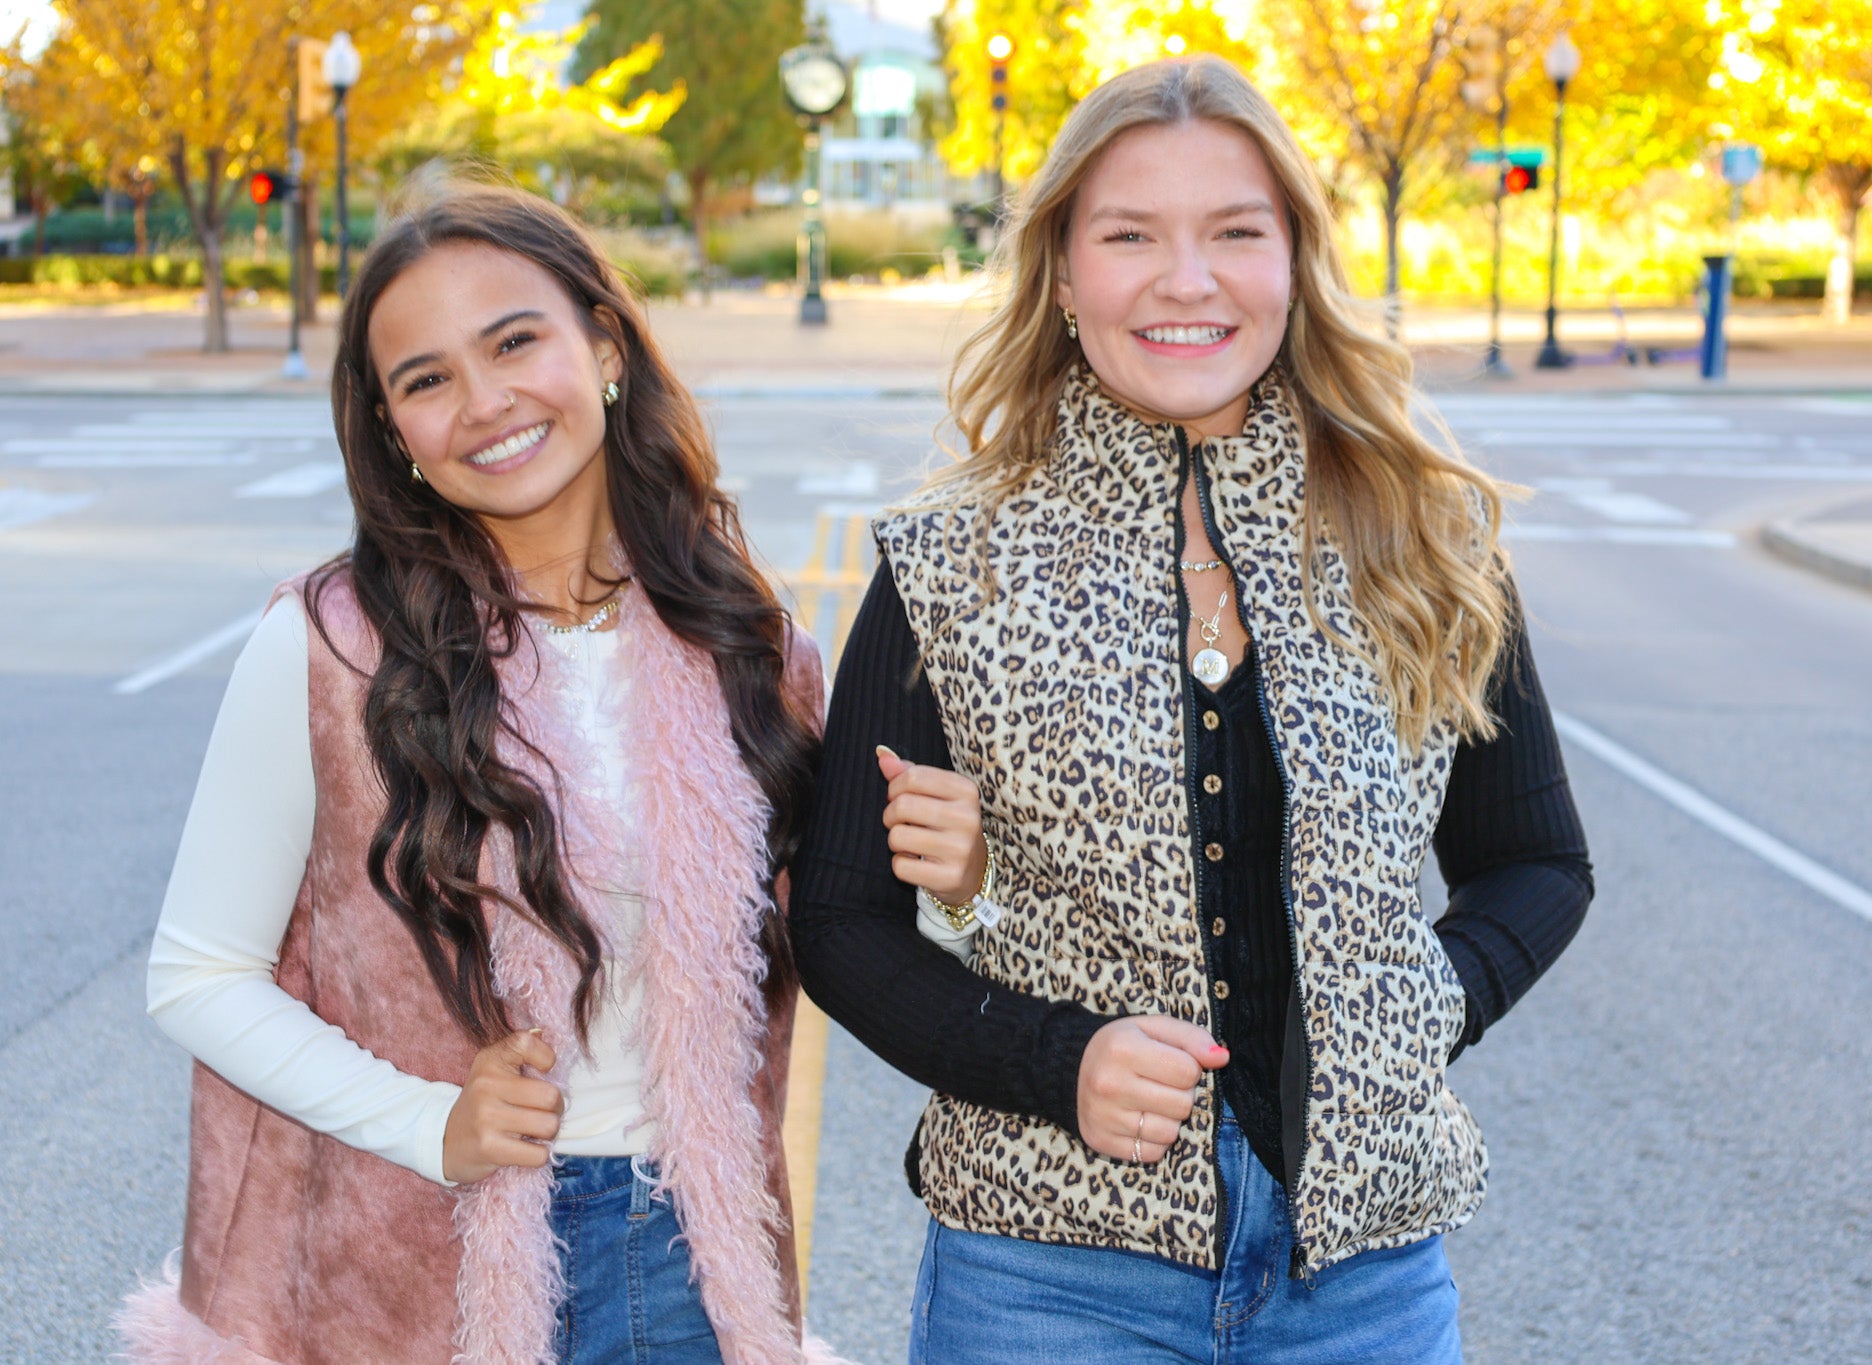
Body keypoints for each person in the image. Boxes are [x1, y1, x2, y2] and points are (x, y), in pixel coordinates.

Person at [790, 56, 1593, 1364]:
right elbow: (838, 923)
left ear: (1294, 261)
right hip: (1046, 1277)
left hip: (1363, 1283)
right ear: (1062, 275)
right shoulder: (953, 562)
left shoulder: (1423, 541)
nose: (1186, 279)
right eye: (1129, 236)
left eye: (1233, 232)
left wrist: (1415, 1010)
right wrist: (1055, 1060)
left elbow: (1536, 862)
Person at [117, 180, 839, 1364]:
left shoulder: (751, 651)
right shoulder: (331, 650)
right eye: (426, 379)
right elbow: (198, 975)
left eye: (513, 342)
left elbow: (838, 942)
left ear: (603, 346)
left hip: (691, 1260)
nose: (485, 402)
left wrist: (961, 887)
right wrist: (431, 1123)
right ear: (393, 432)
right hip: (422, 1266)